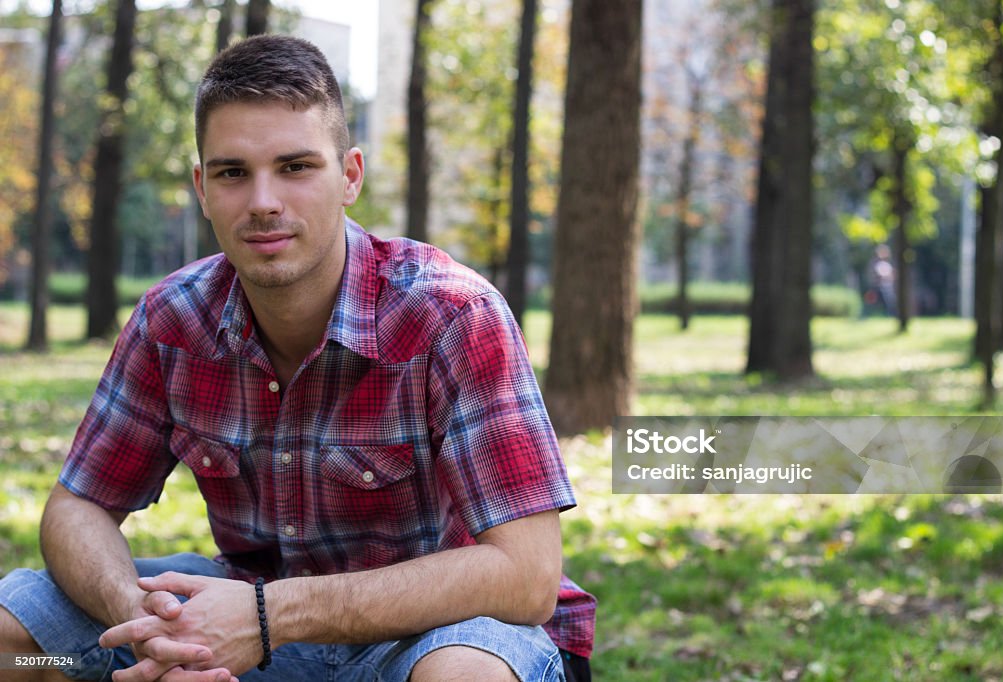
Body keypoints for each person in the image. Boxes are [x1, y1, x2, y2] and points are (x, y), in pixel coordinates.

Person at [0, 35, 595, 682]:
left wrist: (266, 615)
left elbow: (526, 574)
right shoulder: (172, 320)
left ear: (350, 176)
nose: (263, 202)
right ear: (202, 187)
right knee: (14, 640)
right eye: (232, 172)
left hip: (433, 634)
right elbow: (77, 507)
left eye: (295, 167)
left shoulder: (452, 316)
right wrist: (148, 626)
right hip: (246, 633)